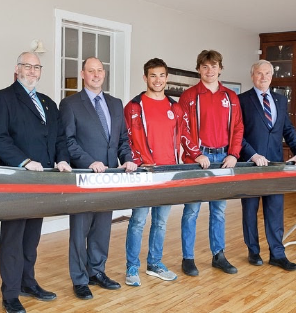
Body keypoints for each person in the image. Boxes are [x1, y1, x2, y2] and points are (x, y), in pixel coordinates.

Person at [0, 52, 72, 313]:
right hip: (17, 179)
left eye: (37, 67)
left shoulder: (48, 103)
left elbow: (59, 139)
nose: (33, 71)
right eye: (27, 66)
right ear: (17, 68)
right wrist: (24, 161)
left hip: (44, 179)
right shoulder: (2, 98)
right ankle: (10, 293)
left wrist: (62, 160)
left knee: (31, 237)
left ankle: (28, 282)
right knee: (13, 238)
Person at [59, 57, 137, 300]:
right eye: (91, 71)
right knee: (80, 230)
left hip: (110, 176)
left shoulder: (115, 104)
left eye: (99, 70)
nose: (96, 75)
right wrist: (88, 162)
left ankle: (97, 271)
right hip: (84, 176)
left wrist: (127, 159)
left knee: (102, 228)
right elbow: (68, 141)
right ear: (83, 74)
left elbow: (122, 139)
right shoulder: (70, 104)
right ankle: (80, 279)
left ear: (104, 74)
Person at [179, 50, 244, 276]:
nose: (209, 71)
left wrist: (234, 154)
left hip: (223, 159)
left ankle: (218, 255)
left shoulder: (231, 97)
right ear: (199, 69)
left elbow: (238, 128)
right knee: (191, 211)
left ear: (220, 69)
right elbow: (182, 129)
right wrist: (196, 154)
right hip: (198, 160)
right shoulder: (189, 96)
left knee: (219, 211)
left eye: (213, 66)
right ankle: (188, 258)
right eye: (205, 67)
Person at [238, 59, 296, 271]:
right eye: (259, 73)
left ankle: (277, 254)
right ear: (252, 75)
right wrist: (253, 155)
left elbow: (288, 130)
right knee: (250, 209)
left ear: (272, 76)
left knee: (275, 210)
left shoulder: (280, 100)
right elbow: (237, 135)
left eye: (267, 73)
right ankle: (253, 251)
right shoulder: (242, 100)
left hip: (276, 165)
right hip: (250, 165)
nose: (263, 77)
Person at [123, 58, 179, 286]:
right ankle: (132, 268)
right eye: (153, 75)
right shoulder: (134, 106)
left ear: (167, 78)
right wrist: (137, 162)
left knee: (161, 222)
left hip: (169, 173)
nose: (158, 80)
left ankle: (154, 263)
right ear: (145, 78)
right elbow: (125, 140)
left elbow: (182, 139)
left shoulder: (175, 107)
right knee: (137, 221)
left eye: (162, 75)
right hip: (144, 172)